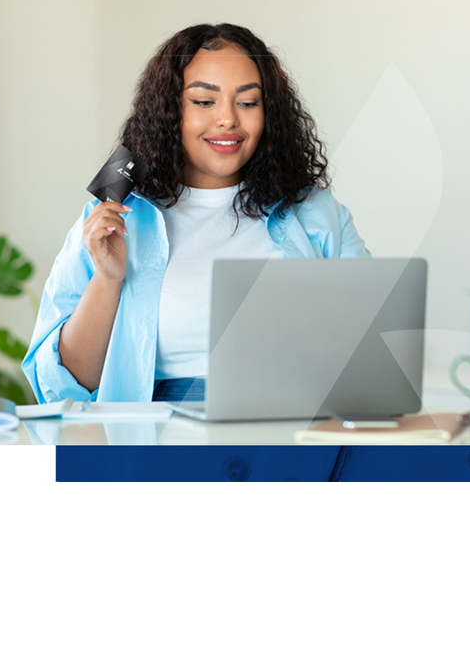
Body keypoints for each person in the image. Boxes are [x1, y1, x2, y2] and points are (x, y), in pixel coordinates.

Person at [22, 23, 370, 404]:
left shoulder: (316, 212)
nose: (228, 119)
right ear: (170, 112)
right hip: (156, 444)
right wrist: (107, 279)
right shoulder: (111, 220)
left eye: (248, 102)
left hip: (286, 432)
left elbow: (374, 352)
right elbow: (63, 387)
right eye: (204, 102)